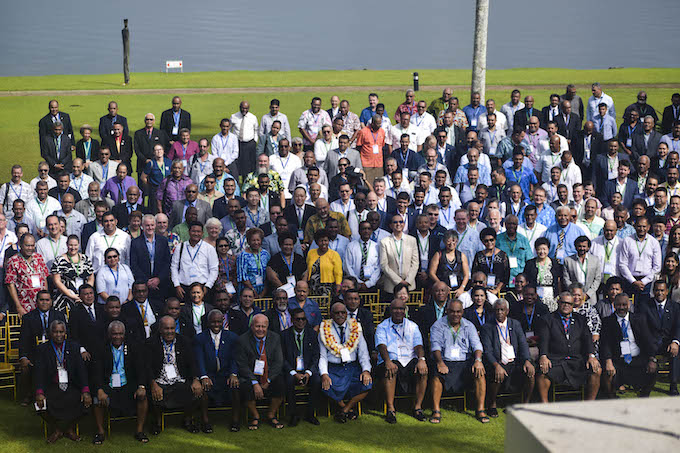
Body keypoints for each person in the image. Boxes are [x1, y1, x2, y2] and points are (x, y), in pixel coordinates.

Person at [429, 299, 488, 424]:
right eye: (452, 311)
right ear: (447, 311)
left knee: (480, 372)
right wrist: (440, 363)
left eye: (458, 312)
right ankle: (436, 410)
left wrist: (478, 360)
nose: (455, 314)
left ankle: (480, 410)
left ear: (462, 312)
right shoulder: (438, 325)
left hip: (464, 361)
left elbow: (477, 345)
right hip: (445, 360)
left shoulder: (469, 325)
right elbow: (435, 346)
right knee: (436, 375)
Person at [536, 292, 601, 402]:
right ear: (558, 302)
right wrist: (543, 356)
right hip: (556, 359)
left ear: (573, 305)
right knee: (543, 372)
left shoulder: (581, 319)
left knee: (597, 370)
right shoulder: (548, 319)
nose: (566, 305)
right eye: (563, 303)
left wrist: (591, 355)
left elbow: (588, 339)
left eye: (569, 303)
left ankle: (590, 403)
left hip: (577, 359)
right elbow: (544, 340)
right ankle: (544, 404)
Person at [34, 319, 92, 443]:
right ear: (50, 333)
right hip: (52, 385)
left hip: (71, 385)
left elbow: (81, 371)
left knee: (86, 403)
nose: (58, 335)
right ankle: (57, 429)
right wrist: (39, 392)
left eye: (61, 332)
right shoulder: (42, 349)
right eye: (55, 332)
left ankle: (70, 429)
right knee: (40, 406)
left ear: (65, 332)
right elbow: (38, 373)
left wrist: (85, 391)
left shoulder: (74, 347)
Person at [91, 320, 149, 444]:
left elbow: (141, 368)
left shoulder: (133, 347)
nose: (117, 337)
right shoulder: (101, 348)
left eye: (120, 334)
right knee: (97, 399)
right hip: (109, 384)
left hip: (128, 384)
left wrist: (141, 386)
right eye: (114, 334)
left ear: (124, 334)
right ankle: (100, 432)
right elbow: (96, 372)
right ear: (109, 334)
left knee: (142, 396)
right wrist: (100, 389)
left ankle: (139, 431)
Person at [145, 315, 202, 434]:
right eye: (166, 328)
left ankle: (187, 420)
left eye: (172, 328)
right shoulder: (151, 343)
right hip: (160, 379)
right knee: (155, 393)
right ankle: (157, 422)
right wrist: (153, 383)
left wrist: (196, 379)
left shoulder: (184, 341)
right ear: (160, 329)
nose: (170, 332)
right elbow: (147, 366)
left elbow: (192, 363)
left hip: (179, 378)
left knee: (196, 391)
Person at [376, 298, 428, 424]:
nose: (398, 311)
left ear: (405, 311)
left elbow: (418, 345)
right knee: (390, 369)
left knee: (423, 370)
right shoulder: (382, 326)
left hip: (409, 358)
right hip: (391, 358)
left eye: (401, 309)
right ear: (390, 310)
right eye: (395, 309)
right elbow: (381, 346)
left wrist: (421, 360)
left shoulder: (412, 326)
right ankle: (390, 409)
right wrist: (388, 361)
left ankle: (418, 408)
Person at [319, 302, 372, 423]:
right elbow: (322, 356)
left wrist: (366, 370)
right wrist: (324, 374)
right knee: (326, 385)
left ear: (347, 314)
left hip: (351, 367)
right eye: (337, 313)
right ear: (331, 314)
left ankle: (344, 410)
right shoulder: (324, 329)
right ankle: (345, 408)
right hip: (334, 367)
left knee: (367, 384)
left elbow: (363, 353)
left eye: (343, 312)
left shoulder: (356, 328)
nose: (340, 315)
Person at [481, 299, 535, 413]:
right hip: (497, 362)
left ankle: (524, 405)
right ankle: (492, 404)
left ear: (507, 311)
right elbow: (487, 351)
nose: (499, 312)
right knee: (496, 373)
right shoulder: (487, 327)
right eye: (497, 310)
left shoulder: (515, 324)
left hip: (514, 362)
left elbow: (523, 344)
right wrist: (496, 365)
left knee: (530, 372)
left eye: (502, 310)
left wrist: (527, 360)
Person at [193, 309, 241, 433]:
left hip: (226, 374)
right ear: (208, 322)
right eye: (213, 322)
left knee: (235, 386)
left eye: (219, 322)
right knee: (203, 389)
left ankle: (235, 421)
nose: (216, 325)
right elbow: (199, 359)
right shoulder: (200, 338)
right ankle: (205, 421)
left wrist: (233, 374)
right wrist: (203, 376)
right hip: (210, 374)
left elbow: (234, 358)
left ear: (223, 321)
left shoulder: (232, 337)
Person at [236, 313, 285, 430]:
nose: (260, 329)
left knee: (281, 383)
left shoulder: (275, 338)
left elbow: (279, 362)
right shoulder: (242, 340)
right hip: (251, 376)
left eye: (263, 327)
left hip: (269, 375)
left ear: (267, 327)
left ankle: (271, 414)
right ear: (252, 326)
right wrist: (255, 383)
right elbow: (242, 364)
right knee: (245, 386)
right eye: (257, 326)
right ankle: (255, 416)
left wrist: (268, 380)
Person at [637, 279, 680, 395]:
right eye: (656, 290)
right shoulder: (645, 306)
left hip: (668, 344)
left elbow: (678, 326)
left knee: (676, 352)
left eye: (662, 290)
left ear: (667, 291)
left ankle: (673, 385)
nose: (659, 293)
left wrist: (675, 342)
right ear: (653, 291)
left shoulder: (675, 307)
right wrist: (651, 351)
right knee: (644, 353)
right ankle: (645, 386)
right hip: (650, 343)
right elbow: (643, 330)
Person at [280, 307, 321, 426]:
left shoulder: (312, 334)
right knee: (288, 381)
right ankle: (293, 415)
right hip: (291, 370)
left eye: (303, 319)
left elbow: (316, 356)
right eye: (298, 319)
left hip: (307, 369)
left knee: (317, 381)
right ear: (292, 320)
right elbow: (282, 358)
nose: (301, 322)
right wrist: (294, 373)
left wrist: (308, 372)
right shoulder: (284, 335)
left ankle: (310, 414)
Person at [171, 221, 219, 301]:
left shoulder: (209, 248)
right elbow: (174, 267)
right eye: (193, 231)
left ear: (202, 233)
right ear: (189, 232)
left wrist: (208, 286)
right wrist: (177, 285)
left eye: (198, 231)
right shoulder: (180, 247)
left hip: (203, 287)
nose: (196, 234)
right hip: (184, 288)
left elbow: (214, 269)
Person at [618, 216, 661, 304]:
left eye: (644, 226)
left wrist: (643, 282)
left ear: (649, 227)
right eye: (639, 226)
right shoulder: (627, 241)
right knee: (629, 309)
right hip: (630, 282)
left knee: (645, 310)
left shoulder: (654, 242)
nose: (641, 229)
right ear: (634, 226)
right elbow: (622, 264)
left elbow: (657, 267)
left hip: (647, 283)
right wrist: (633, 281)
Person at [5, 233, 49, 316]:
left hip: (41, 304)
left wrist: (46, 299)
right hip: (25, 305)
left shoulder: (38, 257)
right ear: (21, 245)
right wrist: (18, 307)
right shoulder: (13, 261)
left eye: (32, 246)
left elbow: (45, 278)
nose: (30, 248)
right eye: (27, 245)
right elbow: (10, 285)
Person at [51, 235, 94, 312]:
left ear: (79, 245)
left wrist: (86, 294)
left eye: (75, 245)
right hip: (65, 297)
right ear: (67, 245)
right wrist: (71, 295)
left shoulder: (86, 259)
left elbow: (91, 277)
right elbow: (57, 281)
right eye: (71, 245)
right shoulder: (59, 260)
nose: (73, 247)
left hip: (84, 298)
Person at [380, 214, 418, 298]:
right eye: (395, 222)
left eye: (401, 222)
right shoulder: (384, 242)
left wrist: (408, 281)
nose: (398, 224)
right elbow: (384, 265)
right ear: (390, 225)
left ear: (404, 224)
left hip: (409, 285)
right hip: (391, 285)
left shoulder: (412, 240)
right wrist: (398, 281)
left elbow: (415, 263)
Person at [429, 229, 469, 298]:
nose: (451, 243)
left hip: (458, 289)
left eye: (453, 241)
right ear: (444, 242)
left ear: (457, 241)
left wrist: (462, 288)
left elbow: (466, 275)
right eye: (448, 241)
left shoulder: (461, 255)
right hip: (442, 291)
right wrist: (442, 285)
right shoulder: (438, 254)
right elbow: (431, 273)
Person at [562, 236, 602, 303]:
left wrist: (588, 294)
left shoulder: (595, 260)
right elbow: (566, 279)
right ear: (576, 247)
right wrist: (575, 293)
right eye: (579, 246)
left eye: (584, 246)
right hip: (574, 297)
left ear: (588, 247)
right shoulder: (568, 260)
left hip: (590, 297)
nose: (582, 248)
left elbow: (597, 279)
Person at [471, 228, 510, 295]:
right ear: (482, 242)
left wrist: (497, 289)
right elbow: (475, 274)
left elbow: (506, 276)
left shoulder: (503, 255)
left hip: (499, 291)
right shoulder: (479, 255)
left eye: (491, 240)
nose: (489, 243)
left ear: (495, 239)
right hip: (482, 291)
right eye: (486, 241)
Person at [306, 229, 343, 297]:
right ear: (317, 242)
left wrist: (338, 285)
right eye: (321, 241)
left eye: (326, 240)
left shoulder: (334, 254)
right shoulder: (311, 253)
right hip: (312, 286)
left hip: (328, 287)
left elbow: (338, 272)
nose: (324, 243)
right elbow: (307, 269)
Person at [134, 113, 170, 181]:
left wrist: (159, 159)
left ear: (154, 121)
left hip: (157, 165)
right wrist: (145, 160)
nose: (149, 121)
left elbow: (165, 146)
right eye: (147, 119)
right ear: (145, 121)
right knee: (142, 186)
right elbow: (137, 149)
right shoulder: (138, 133)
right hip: (142, 164)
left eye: (151, 119)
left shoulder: (160, 133)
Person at [236, 228, 270, 298]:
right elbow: (243, 277)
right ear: (248, 241)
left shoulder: (266, 254)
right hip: (248, 292)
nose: (256, 242)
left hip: (264, 290)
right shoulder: (243, 256)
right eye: (253, 240)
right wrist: (253, 292)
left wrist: (263, 292)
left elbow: (269, 274)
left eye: (258, 240)